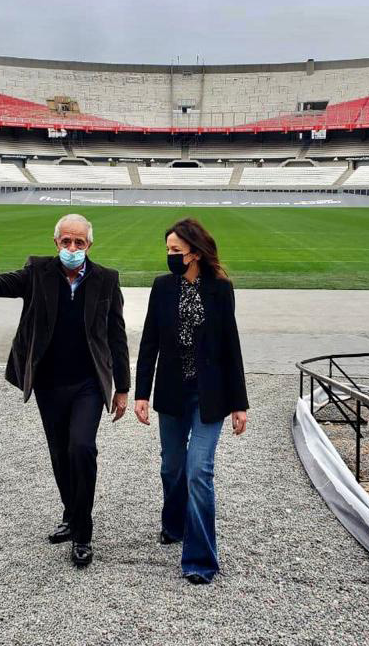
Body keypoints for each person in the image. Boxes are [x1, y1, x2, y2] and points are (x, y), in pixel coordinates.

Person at [0, 214, 130, 568]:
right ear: (56, 243)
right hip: (49, 383)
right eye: (66, 242)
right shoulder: (37, 271)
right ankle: (72, 513)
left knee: (82, 448)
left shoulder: (106, 279)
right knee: (60, 454)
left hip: (88, 383)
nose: (72, 248)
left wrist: (123, 388)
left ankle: (83, 532)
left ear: (89, 246)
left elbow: (116, 335)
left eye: (78, 243)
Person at [134, 217, 248, 584]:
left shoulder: (220, 289)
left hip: (209, 396)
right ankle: (173, 523)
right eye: (167, 250)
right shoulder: (162, 287)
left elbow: (231, 346)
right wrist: (140, 393)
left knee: (200, 470)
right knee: (172, 467)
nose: (169, 256)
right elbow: (149, 341)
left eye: (175, 251)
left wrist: (239, 403)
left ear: (194, 253)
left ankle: (200, 559)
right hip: (171, 392)